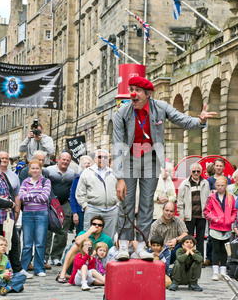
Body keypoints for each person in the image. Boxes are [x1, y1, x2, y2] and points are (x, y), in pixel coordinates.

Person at [113, 75, 216, 261]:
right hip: (128, 161)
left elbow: (180, 119)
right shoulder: (122, 113)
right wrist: (119, 177)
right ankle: (123, 245)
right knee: (126, 204)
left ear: (147, 94)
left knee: (146, 205)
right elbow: (117, 144)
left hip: (150, 161)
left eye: (138, 91)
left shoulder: (160, 107)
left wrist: (199, 121)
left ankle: (142, 246)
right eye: (131, 90)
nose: (133, 94)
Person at [75, 149, 118, 239]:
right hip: (93, 209)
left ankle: (106, 253)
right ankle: (88, 253)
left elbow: (118, 190)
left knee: (109, 238)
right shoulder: (87, 172)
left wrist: (117, 205)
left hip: (111, 211)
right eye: (99, 157)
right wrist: (85, 206)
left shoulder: (113, 173)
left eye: (105, 157)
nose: (102, 159)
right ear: (95, 159)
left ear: (108, 159)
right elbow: (80, 192)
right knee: (89, 237)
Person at [56, 216, 113, 283]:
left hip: (95, 265)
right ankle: (63, 273)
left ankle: (71, 277)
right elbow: (78, 242)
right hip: (79, 262)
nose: (96, 226)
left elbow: (109, 255)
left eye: (99, 225)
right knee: (74, 246)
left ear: (102, 228)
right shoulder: (84, 233)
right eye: (94, 224)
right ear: (91, 225)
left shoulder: (107, 239)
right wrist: (90, 231)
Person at [19, 159, 51, 277]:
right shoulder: (25, 182)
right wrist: (35, 195)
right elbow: (21, 196)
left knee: (40, 243)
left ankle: (39, 268)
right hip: (27, 214)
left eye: (37, 168)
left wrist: (29, 196)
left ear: (40, 169)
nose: (35, 170)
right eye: (32, 168)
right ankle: (24, 268)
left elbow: (45, 197)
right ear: (29, 169)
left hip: (41, 214)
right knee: (27, 243)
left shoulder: (46, 181)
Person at [203, 176, 237, 280]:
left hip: (226, 227)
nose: (220, 187)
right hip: (215, 227)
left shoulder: (230, 197)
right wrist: (214, 219)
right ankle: (215, 271)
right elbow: (206, 212)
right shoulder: (212, 197)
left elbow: (234, 211)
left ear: (226, 186)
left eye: (222, 185)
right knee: (215, 249)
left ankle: (223, 271)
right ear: (215, 186)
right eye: (218, 185)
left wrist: (231, 220)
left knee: (224, 250)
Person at [44, 151, 75, 266]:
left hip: (64, 204)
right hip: (50, 204)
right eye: (63, 159)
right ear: (58, 159)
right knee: (47, 231)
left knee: (63, 232)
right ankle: (44, 257)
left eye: (68, 160)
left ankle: (56, 256)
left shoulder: (72, 173)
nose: (65, 162)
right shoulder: (49, 170)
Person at [177, 162, 210, 258]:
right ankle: (188, 257)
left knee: (200, 240)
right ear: (190, 172)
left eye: (198, 171)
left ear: (200, 172)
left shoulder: (205, 183)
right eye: (194, 171)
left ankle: (199, 259)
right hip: (189, 216)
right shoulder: (184, 184)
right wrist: (181, 215)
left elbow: (208, 199)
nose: (196, 173)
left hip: (201, 216)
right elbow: (180, 201)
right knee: (188, 239)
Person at [0, 151, 23, 274]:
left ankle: (16, 267)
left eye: (6, 158)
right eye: (1, 158)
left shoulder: (13, 176)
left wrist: (17, 211)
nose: (4, 160)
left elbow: (17, 194)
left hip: (10, 212)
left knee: (13, 240)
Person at [70, 155, 93, 235]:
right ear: (81, 166)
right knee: (81, 233)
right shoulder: (77, 178)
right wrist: (74, 213)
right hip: (80, 211)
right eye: (84, 163)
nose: (87, 165)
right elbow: (72, 197)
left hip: (93, 210)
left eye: (88, 163)